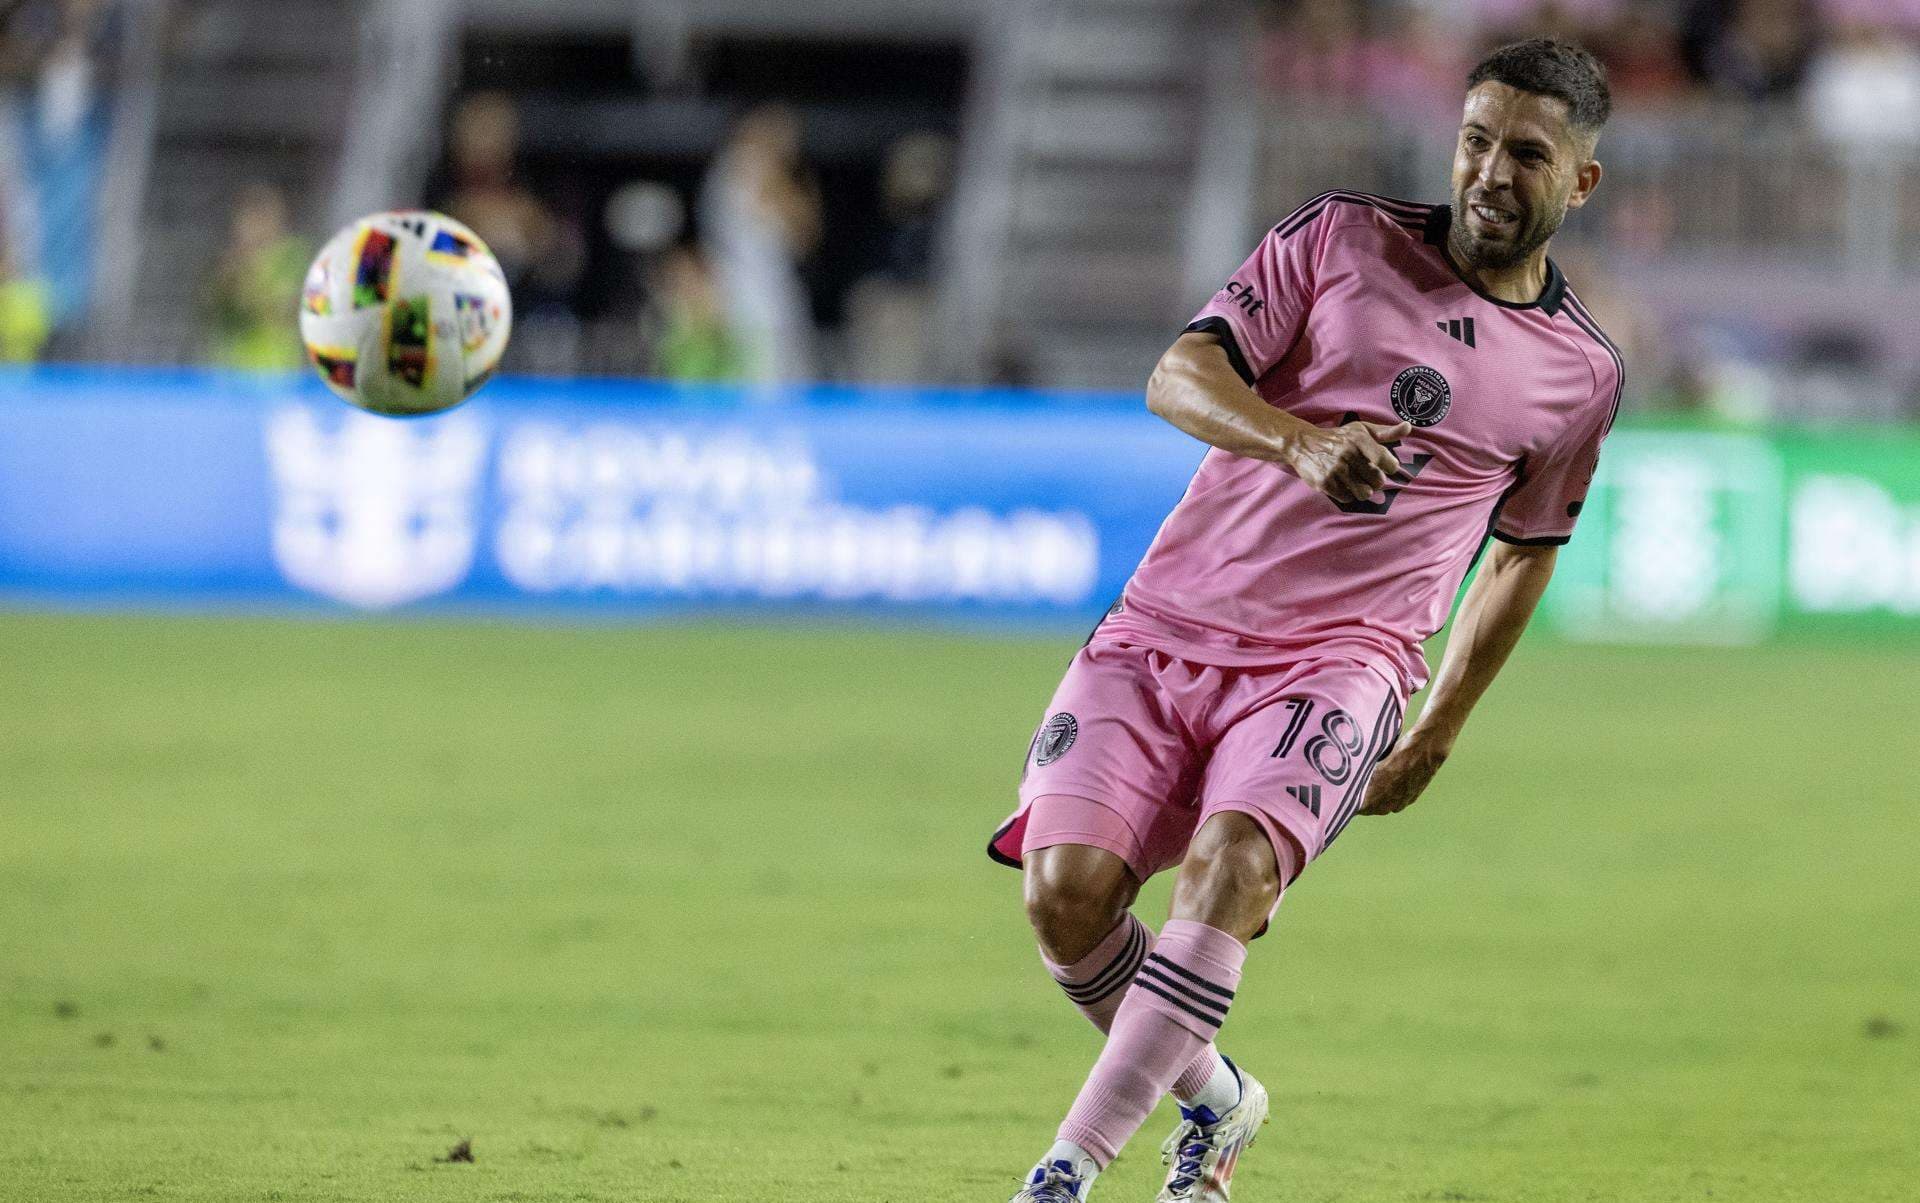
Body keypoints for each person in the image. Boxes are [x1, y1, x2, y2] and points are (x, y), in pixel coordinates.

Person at [991, 38, 1622, 1202]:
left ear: (1579, 181)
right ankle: (1219, 1103)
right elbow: (1176, 375)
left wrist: (1438, 729)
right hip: (1166, 623)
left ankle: (1065, 1172)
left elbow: (1525, 556)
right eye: (1476, 139)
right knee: (1066, 896)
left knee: (1231, 870)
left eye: (1527, 154)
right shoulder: (1340, 238)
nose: (1489, 172)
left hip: (1342, 664)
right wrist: (1298, 439)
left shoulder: (1578, 375)